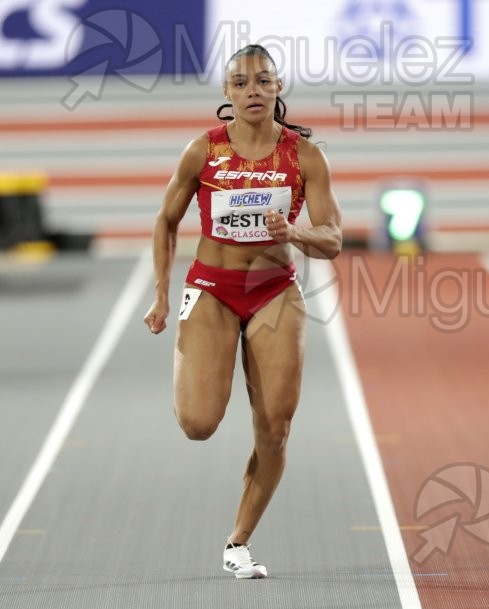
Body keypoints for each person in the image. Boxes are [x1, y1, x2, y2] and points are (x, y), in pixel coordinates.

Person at [143, 44, 342, 579]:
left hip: (275, 288)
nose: (253, 90)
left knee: (275, 428)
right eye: (241, 82)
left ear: (278, 89)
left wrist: (294, 231)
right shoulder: (202, 152)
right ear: (227, 94)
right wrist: (162, 294)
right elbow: (165, 221)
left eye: (263, 81)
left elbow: (333, 239)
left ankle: (238, 541)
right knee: (198, 423)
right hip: (212, 285)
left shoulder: (304, 156)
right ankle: (199, 367)